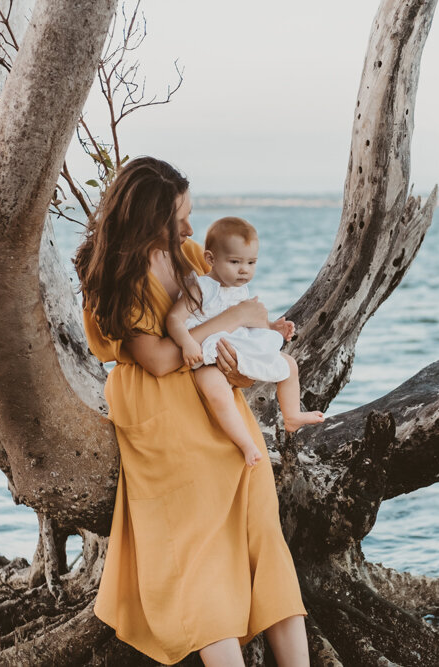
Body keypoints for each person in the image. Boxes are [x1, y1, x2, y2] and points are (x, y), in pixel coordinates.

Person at [74, 157, 309, 667]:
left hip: (214, 398)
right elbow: (158, 359)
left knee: (263, 535)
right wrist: (230, 319)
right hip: (162, 414)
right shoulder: (117, 274)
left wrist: (241, 356)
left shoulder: (186, 253)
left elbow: (215, 325)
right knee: (200, 556)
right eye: (180, 214)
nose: (188, 225)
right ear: (149, 218)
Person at [166, 216, 325, 466]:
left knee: (289, 365)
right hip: (206, 356)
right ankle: (246, 443)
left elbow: (247, 322)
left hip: (238, 348)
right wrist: (187, 343)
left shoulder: (240, 290)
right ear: (210, 259)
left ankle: (292, 415)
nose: (244, 270)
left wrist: (273, 328)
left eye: (251, 263)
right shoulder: (200, 287)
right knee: (217, 391)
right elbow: (174, 319)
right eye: (235, 262)